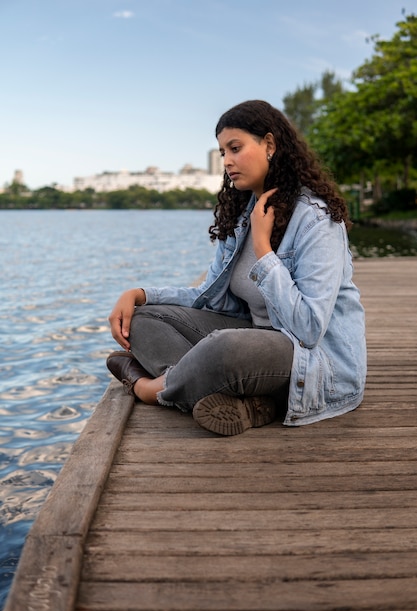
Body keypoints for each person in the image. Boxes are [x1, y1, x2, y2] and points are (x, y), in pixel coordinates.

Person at [107, 99, 366, 436]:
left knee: (224, 347)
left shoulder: (317, 220)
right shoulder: (243, 214)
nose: (227, 161)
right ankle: (243, 400)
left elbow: (309, 328)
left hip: (312, 361)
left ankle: (151, 390)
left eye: (235, 148)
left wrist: (263, 249)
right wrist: (141, 294)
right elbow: (207, 296)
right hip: (254, 344)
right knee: (143, 318)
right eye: (222, 152)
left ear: (269, 145)